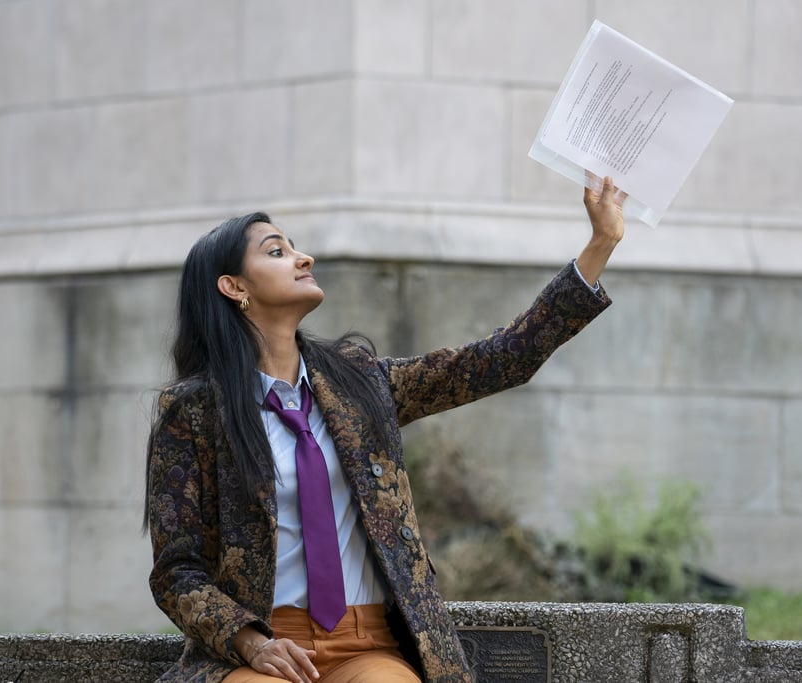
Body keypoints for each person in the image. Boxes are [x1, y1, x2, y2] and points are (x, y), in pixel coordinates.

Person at [144, 178, 627, 683]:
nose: (303, 258)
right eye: (277, 251)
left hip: (367, 645)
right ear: (234, 286)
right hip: (257, 652)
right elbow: (177, 570)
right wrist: (248, 641)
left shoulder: (361, 383)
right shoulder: (196, 411)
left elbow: (501, 360)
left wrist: (600, 244)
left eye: (295, 247)